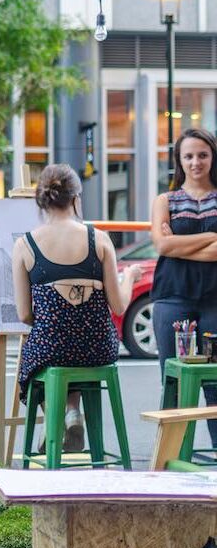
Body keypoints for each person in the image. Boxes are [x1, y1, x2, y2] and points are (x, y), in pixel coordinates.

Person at [13, 164, 141, 451]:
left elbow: (24, 314)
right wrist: (130, 277)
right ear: (76, 199)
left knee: (44, 355)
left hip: (52, 347)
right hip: (98, 348)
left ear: (41, 201)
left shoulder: (25, 244)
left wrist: (54, 319)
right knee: (78, 347)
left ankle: (56, 420)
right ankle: (72, 412)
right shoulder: (99, 239)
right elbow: (119, 306)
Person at [150, 127, 217, 447]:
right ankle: (170, 459)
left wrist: (179, 242)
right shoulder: (165, 200)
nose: (195, 162)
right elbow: (162, 246)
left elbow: (172, 243)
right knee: (173, 379)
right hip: (172, 297)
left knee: (215, 382)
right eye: (188, 156)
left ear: (212, 157)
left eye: (202, 155)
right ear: (178, 159)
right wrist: (210, 237)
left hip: (215, 301)